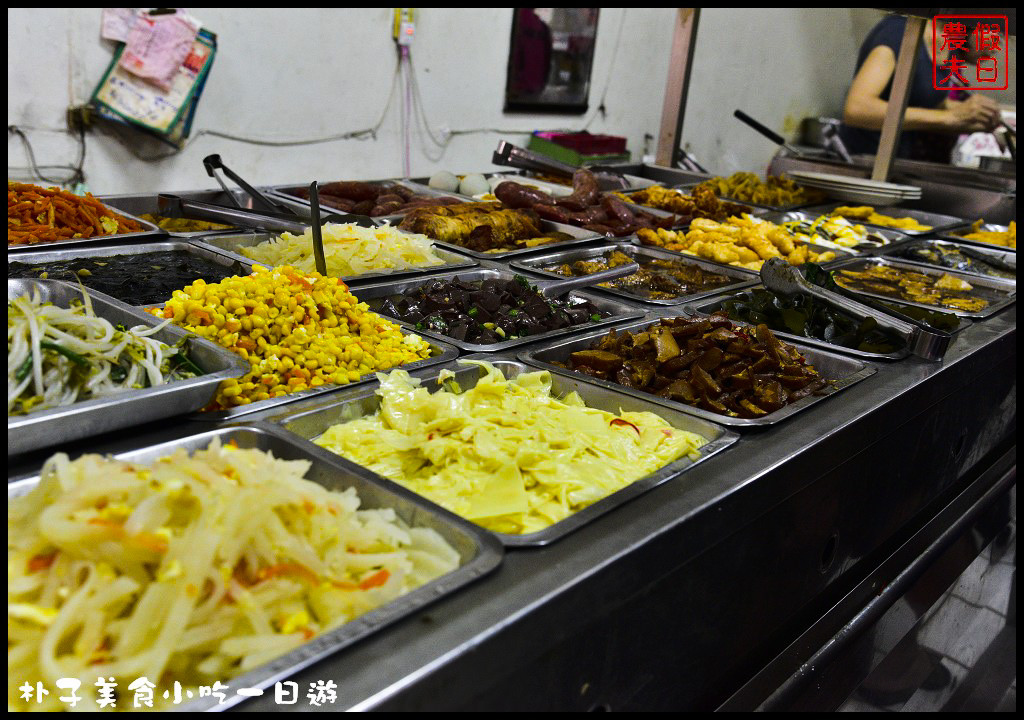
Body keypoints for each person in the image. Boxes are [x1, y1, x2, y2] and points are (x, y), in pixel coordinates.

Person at [839, 15, 1002, 163]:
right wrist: (949, 117)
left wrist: (971, 117)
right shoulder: (901, 33)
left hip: (899, 162)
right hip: (861, 160)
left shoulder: (949, 47)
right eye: (996, 33)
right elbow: (857, 109)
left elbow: (925, 101)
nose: (996, 46)